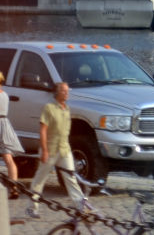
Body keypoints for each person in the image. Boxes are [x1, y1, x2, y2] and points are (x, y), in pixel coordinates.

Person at [24, 82, 90, 219]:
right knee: (40, 179)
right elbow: (43, 130)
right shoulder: (49, 108)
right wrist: (44, 150)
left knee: (71, 177)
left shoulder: (67, 109)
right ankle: (32, 207)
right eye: (63, 91)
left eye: (67, 91)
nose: (66, 94)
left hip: (64, 150)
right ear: (57, 93)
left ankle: (80, 205)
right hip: (50, 149)